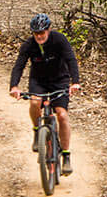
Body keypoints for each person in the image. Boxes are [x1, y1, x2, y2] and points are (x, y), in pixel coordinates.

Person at [9, 13, 82, 175]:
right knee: (35, 102)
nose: (39, 36)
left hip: (59, 79)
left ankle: (66, 155)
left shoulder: (59, 40)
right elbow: (19, 65)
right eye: (36, 33)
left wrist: (75, 82)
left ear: (48, 30)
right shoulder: (28, 45)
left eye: (42, 33)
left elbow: (71, 60)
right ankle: (37, 131)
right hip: (39, 81)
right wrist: (14, 86)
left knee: (62, 115)